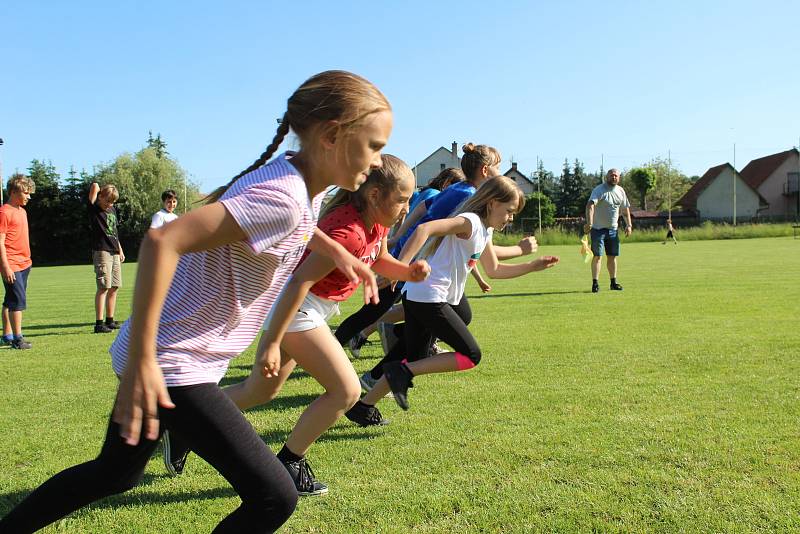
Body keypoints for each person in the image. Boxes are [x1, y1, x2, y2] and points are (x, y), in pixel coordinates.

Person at [0, 69, 391, 534]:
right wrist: (146, 360)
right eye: (374, 146)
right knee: (274, 497)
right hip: (172, 364)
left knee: (116, 473)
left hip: (174, 357)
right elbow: (163, 241)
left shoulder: (302, 182)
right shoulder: (285, 196)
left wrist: (342, 252)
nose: (378, 161)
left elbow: (300, 225)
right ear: (331, 135)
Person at [165, 155, 429, 496]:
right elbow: (297, 283)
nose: (407, 207)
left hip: (307, 311)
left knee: (260, 391)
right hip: (298, 311)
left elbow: (379, 260)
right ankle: (290, 462)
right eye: (402, 200)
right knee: (347, 391)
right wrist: (274, 341)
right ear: (375, 196)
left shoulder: (376, 223)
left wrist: (408, 273)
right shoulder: (346, 231)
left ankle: (184, 426)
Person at [346, 176, 559, 422]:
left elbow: (495, 270)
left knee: (412, 358)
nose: (511, 218)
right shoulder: (469, 221)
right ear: (491, 203)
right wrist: (400, 267)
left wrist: (532, 266)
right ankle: (399, 370)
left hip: (420, 297)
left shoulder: (484, 230)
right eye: (509, 211)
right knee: (471, 355)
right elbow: (425, 228)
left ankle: (362, 407)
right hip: (428, 297)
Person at [341, 144, 535, 392]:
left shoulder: (472, 200)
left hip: (425, 269)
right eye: (498, 166)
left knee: (452, 319)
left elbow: (473, 247)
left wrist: (522, 255)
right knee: (374, 315)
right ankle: (345, 348)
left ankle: (384, 353)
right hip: (420, 267)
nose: (502, 172)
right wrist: (400, 253)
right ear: (486, 170)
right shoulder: (468, 197)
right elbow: (428, 224)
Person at [345, 166, 464, 357]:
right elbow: (418, 223)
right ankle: (350, 337)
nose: (406, 206)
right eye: (459, 187)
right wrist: (401, 256)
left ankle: (385, 335)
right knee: (375, 310)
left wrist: (395, 239)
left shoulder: (429, 193)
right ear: (448, 184)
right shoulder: (435, 194)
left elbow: (407, 215)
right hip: (411, 258)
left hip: (409, 258)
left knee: (406, 306)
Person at [0, 174, 35, 350]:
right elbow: (0, 241)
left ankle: (7, 335)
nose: (29, 197)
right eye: (26, 193)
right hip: (11, 264)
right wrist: (5, 266)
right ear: (14, 192)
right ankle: (17, 339)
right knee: (17, 302)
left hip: (24, 263)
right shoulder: (4, 212)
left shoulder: (23, 211)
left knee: (9, 301)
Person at [583, 168, 632, 293]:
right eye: (611, 175)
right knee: (597, 256)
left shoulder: (621, 191)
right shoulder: (599, 190)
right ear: (607, 177)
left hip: (613, 230)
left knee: (612, 257)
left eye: (616, 176)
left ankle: (613, 282)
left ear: (619, 178)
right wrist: (589, 222)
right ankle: (595, 283)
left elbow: (625, 209)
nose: (614, 177)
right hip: (598, 230)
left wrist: (629, 225)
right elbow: (590, 205)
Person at [89, 182, 125, 333]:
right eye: (108, 200)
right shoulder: (95, 209)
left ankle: (110, 320)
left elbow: (114, 232)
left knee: (115, 286)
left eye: (112, 202)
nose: (109, 204)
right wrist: (100, 192)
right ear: (100, 197)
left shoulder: (112, 210)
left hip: (114, 251)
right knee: (104, 286)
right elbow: (95, 186)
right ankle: (99, 323)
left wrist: (120, 250)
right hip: (102, 251)